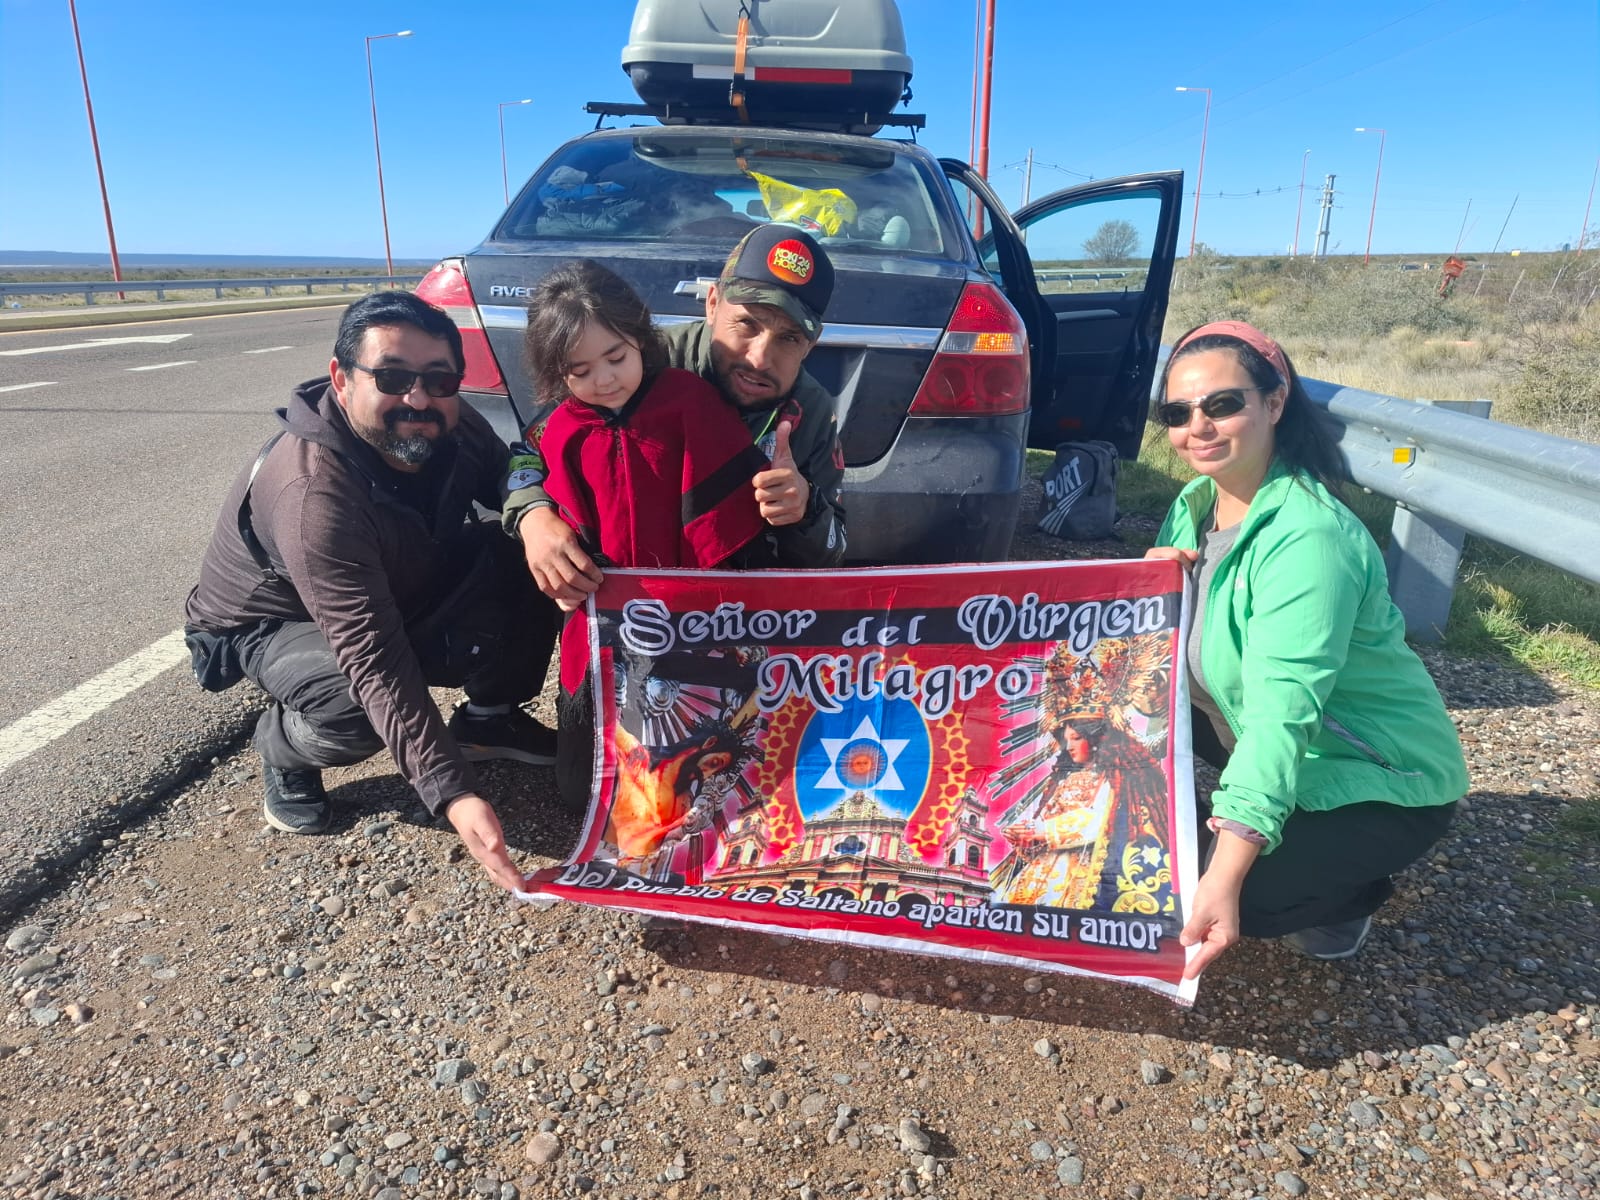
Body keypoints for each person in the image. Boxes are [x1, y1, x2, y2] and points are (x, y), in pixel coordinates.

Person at [183, 292, 559, 892]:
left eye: (439, 379)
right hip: (277, 620)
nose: (418, 398)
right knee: (356, 704)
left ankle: (490, 720)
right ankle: (284, 747)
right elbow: (373, 656)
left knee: (538, 553)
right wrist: (453, 793)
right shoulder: (313, 496)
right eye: (392, 376)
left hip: (397, 576)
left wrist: (535, 512)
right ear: (342, 377)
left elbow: (516, 463)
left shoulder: (452, 424)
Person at [1144, 320, 1469, 976]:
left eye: (1223, 404)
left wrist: (1225, 871)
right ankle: (1249, 833)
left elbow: (1282, 714)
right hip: (1248, 721)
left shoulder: (1310, 541)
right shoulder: (1195, 500)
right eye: (1178, 413)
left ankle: (1344, 895)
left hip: (1373, 776)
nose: (1197, 427)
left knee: (1193, 892)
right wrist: (1146, 591)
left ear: (1273, 401)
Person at [517, 259, 771, 812]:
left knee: (697, 761)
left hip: (689, 617)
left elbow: (736, 515)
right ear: (556, 372)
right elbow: (524, 470)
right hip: (599, 620)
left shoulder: (689, 402)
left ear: (640, 338)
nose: (604, 380)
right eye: (579, 370)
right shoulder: (559, 427)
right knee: (582, 793)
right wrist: (539, 522)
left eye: (616, 357)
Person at [506, 223, 848, 612]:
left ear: (811, 344)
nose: (759, 358)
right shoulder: (638, 360)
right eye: (747, 324)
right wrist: (533, 517)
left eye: (789, 338)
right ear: (713, 303)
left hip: (731, 615)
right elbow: (530, 450)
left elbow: (832, 553)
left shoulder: (810, 411)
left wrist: (804, 510)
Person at [990, 650, 1170, 914]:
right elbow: (1045, 824)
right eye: (1067, 739)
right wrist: (1026, 837)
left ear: (1095, 739)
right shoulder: (1064, 780)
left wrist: (1043, 831)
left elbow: (1101, 820)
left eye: (1076, 738)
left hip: (1083, 866)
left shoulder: (1113, 778)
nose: (1069, 745)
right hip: (1043, 868)